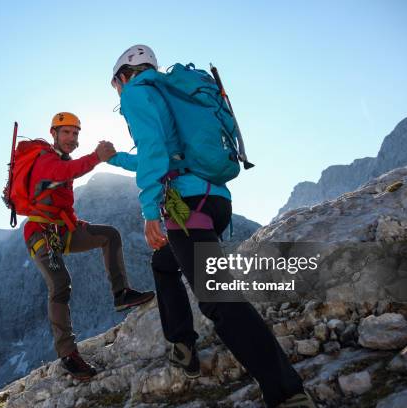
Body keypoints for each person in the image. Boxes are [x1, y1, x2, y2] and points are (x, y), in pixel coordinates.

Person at [107, 46, 316, 408]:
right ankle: (183, 345)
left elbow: (155, 151)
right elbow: (163, 151)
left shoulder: (138, 92)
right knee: (164, 264)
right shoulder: (172, 90)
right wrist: (113, 158)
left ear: (124, 75)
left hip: (185, 208)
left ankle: (286, 394)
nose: (118, 94)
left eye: (115, 86)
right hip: (215, 202)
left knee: (220, 300)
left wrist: (149, 210)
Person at [24, 112, 155, 381]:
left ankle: (121, 294)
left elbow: (60, 201)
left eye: (75, 133)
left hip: (62, 230)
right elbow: (63, 173)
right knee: (60, 285)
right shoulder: (46, 160)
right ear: (54, 134)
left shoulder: (62, 160)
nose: (71, 138)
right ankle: (68, 355)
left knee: (109, 235)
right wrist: (97, 157)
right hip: (39, 233)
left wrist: (76, 224)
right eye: (66, 133)